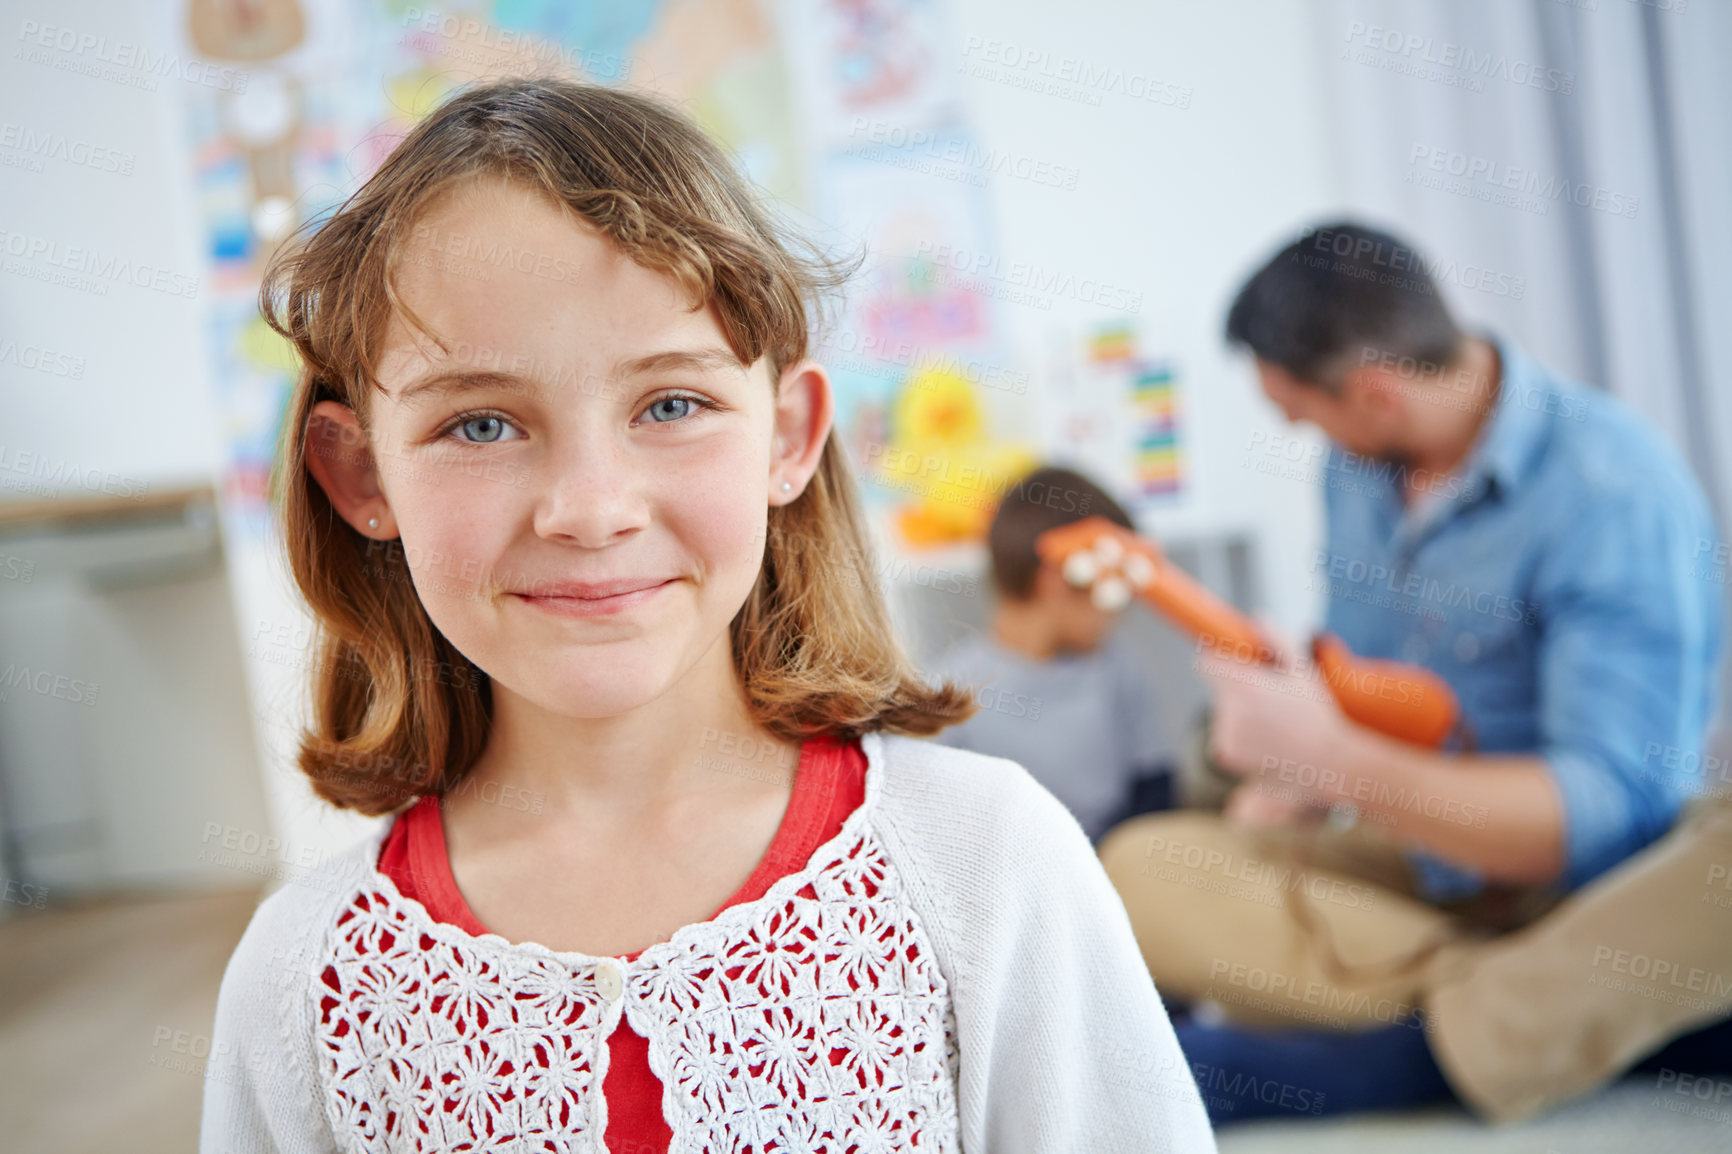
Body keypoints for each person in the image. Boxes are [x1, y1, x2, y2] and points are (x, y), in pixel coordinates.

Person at [199, 79, 1214, 1152]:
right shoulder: (302, 975)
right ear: (360, 476)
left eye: (670, 405)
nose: (590, 508)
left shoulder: (987, 864)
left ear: (785, 437)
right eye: (483, 423)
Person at [1096, 220, 1728, 1125]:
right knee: (1136, 869)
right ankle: (1568, 1015)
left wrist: (1328, 762)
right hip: (1433, 877)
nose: (1299, 433)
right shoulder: (1359, 471)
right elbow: (1368, 680)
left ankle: (1429, 1043)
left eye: (1301, 413)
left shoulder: (1613, 491)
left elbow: (1606, 815)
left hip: (1594, 893)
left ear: (1375, 390)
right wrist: (1306, 722)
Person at [925, 465, 1180, 845]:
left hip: (1117, 864)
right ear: (1058, 579)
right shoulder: (946, 695)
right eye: (1114, 590)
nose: (1120, 612)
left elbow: (1157, 791)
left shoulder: (1118, 668)